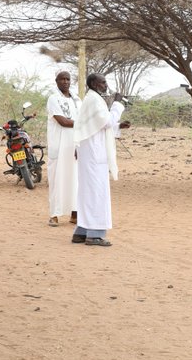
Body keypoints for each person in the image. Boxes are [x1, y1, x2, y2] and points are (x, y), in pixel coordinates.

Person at [71, 72, 130, 247]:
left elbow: (97, 126)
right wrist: (118, 104)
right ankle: (94, 235)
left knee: (88, 192)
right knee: (96, 193)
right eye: (103, 82)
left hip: (91, 153)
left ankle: (81, 232)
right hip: (93, 155)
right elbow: (106, 122)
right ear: (94, 84)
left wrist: (119, 126)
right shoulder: (94, 100)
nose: (106, 85)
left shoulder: (93, 99)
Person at [46, 70, 81, 227]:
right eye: (62, 79)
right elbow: (63, 122)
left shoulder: (77, 100)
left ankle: (74, 214)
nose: (65, 82)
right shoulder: (53, 99)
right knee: (57, 180)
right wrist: (83, 124)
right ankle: (54, 215)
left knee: (75, 180)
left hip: (74, 145)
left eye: (68, 79)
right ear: (57, 81)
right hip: (58, 146)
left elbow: (82, 119)